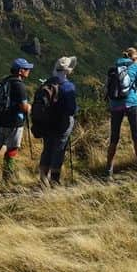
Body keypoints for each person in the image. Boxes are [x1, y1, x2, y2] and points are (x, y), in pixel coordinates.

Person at [0, 57, 33, 181]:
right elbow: (24, 107)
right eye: (26, 69)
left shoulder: (3, 82)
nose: (29, 71)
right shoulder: (19, 85)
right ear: (20, 71)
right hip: (14, 122)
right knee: (12, 149)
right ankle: (7, 176)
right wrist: (30, 107)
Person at [105, 47, 137, 178]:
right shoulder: (136, 67)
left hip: (115, 105)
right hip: (132, 103)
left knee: (114, 138)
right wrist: (135, 95)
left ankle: (109, 171)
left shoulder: (114, 67)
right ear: (135, 58)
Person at [39, 56, 78, 186]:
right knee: (59, 150)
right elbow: (72, 109)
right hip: (62, 123)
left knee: (47, 149)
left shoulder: (47, 84)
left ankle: (43, 178)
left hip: (47, 122)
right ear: (67, 70)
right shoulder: (68, 86)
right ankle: (55, 180)